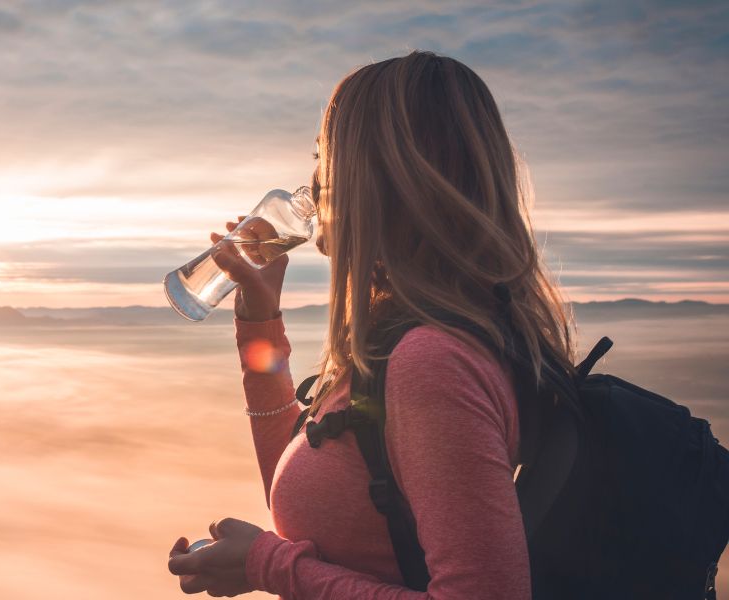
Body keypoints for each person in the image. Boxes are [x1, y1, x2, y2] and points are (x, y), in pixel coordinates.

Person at [166, 50, 576, 598]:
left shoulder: (430, 362)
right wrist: (259, 322)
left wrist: (267, 566)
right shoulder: (412, 337)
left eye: (325, 157)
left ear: (377, 173)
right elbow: (305, 501)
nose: (311, 183)